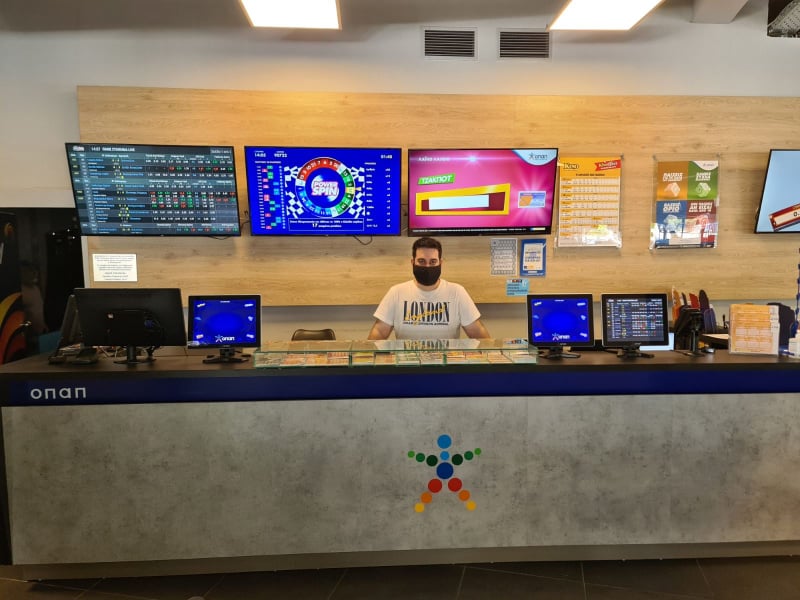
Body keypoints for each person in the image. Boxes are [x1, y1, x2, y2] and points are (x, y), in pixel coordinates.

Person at [368, 237, 490, 340]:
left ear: (440, 263)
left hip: (446, 360)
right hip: (407, 360)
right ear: (412, 262)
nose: (427, 266)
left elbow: (477, 332)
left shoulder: (457, 292)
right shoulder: (396, 292)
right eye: (421, 261)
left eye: (432, 262)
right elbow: (379, 331)